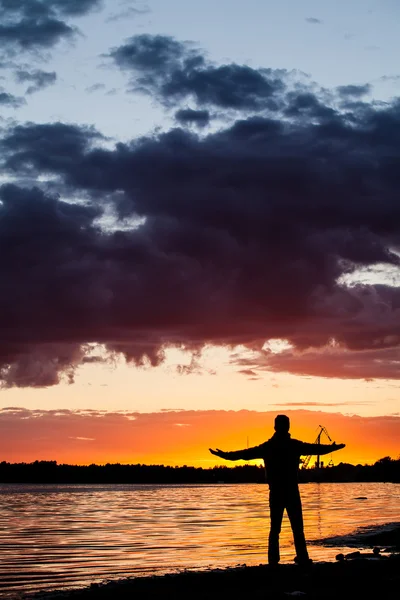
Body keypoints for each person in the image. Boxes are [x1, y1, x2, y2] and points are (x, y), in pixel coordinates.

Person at [209, 414, 345, 566]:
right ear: (288, 427)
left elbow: (243, 455)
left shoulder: (268, 447)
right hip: (292, 491)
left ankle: (273, 561)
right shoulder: (294, 445)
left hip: (276, 492)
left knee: (275, 529)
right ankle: (302, 558)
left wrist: (224, 455)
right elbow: (316, 449)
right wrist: (334, 448)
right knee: (297, 528)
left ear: (275, 427)